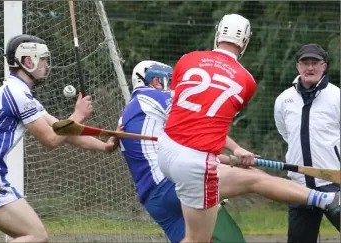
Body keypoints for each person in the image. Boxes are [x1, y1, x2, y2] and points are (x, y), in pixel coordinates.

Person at [119, 60, 340, 243]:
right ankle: (327, 199)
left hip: (156, 201)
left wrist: (232, 160)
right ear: (156, 81)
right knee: (255, 178)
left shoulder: (130, 115)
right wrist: (236, 148)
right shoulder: (154, 96)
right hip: (171, 185)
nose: (174, 87)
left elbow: (184, 154)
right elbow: (199, 123)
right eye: (169, 81)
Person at [0, 34, 118, 242]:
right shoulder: (18, 95)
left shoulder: (17, 93)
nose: (46, 65)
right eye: (43, 59)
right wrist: (78, 114)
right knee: (36, 235)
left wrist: (104, 146)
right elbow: (51, 139)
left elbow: (63, 131)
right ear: (27, 61)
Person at [156, 13, 258, 242]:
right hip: (195, 161)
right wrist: (236, 149)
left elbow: (184, 110)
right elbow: (211, 122)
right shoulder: (247, 81)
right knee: (198, 239)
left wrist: (236, 149)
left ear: (218, 33)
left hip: (165, 150)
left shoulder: (186, 59)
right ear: (246, 41)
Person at [274, 43, 340, 242]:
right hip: (299, 186)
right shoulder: (284, 100)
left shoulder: (337, 96)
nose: (309, 68)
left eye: (315, 63)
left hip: (334, 183)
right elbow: (285, 133)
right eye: (305, 63)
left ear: (324, 66)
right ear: (297, 66)